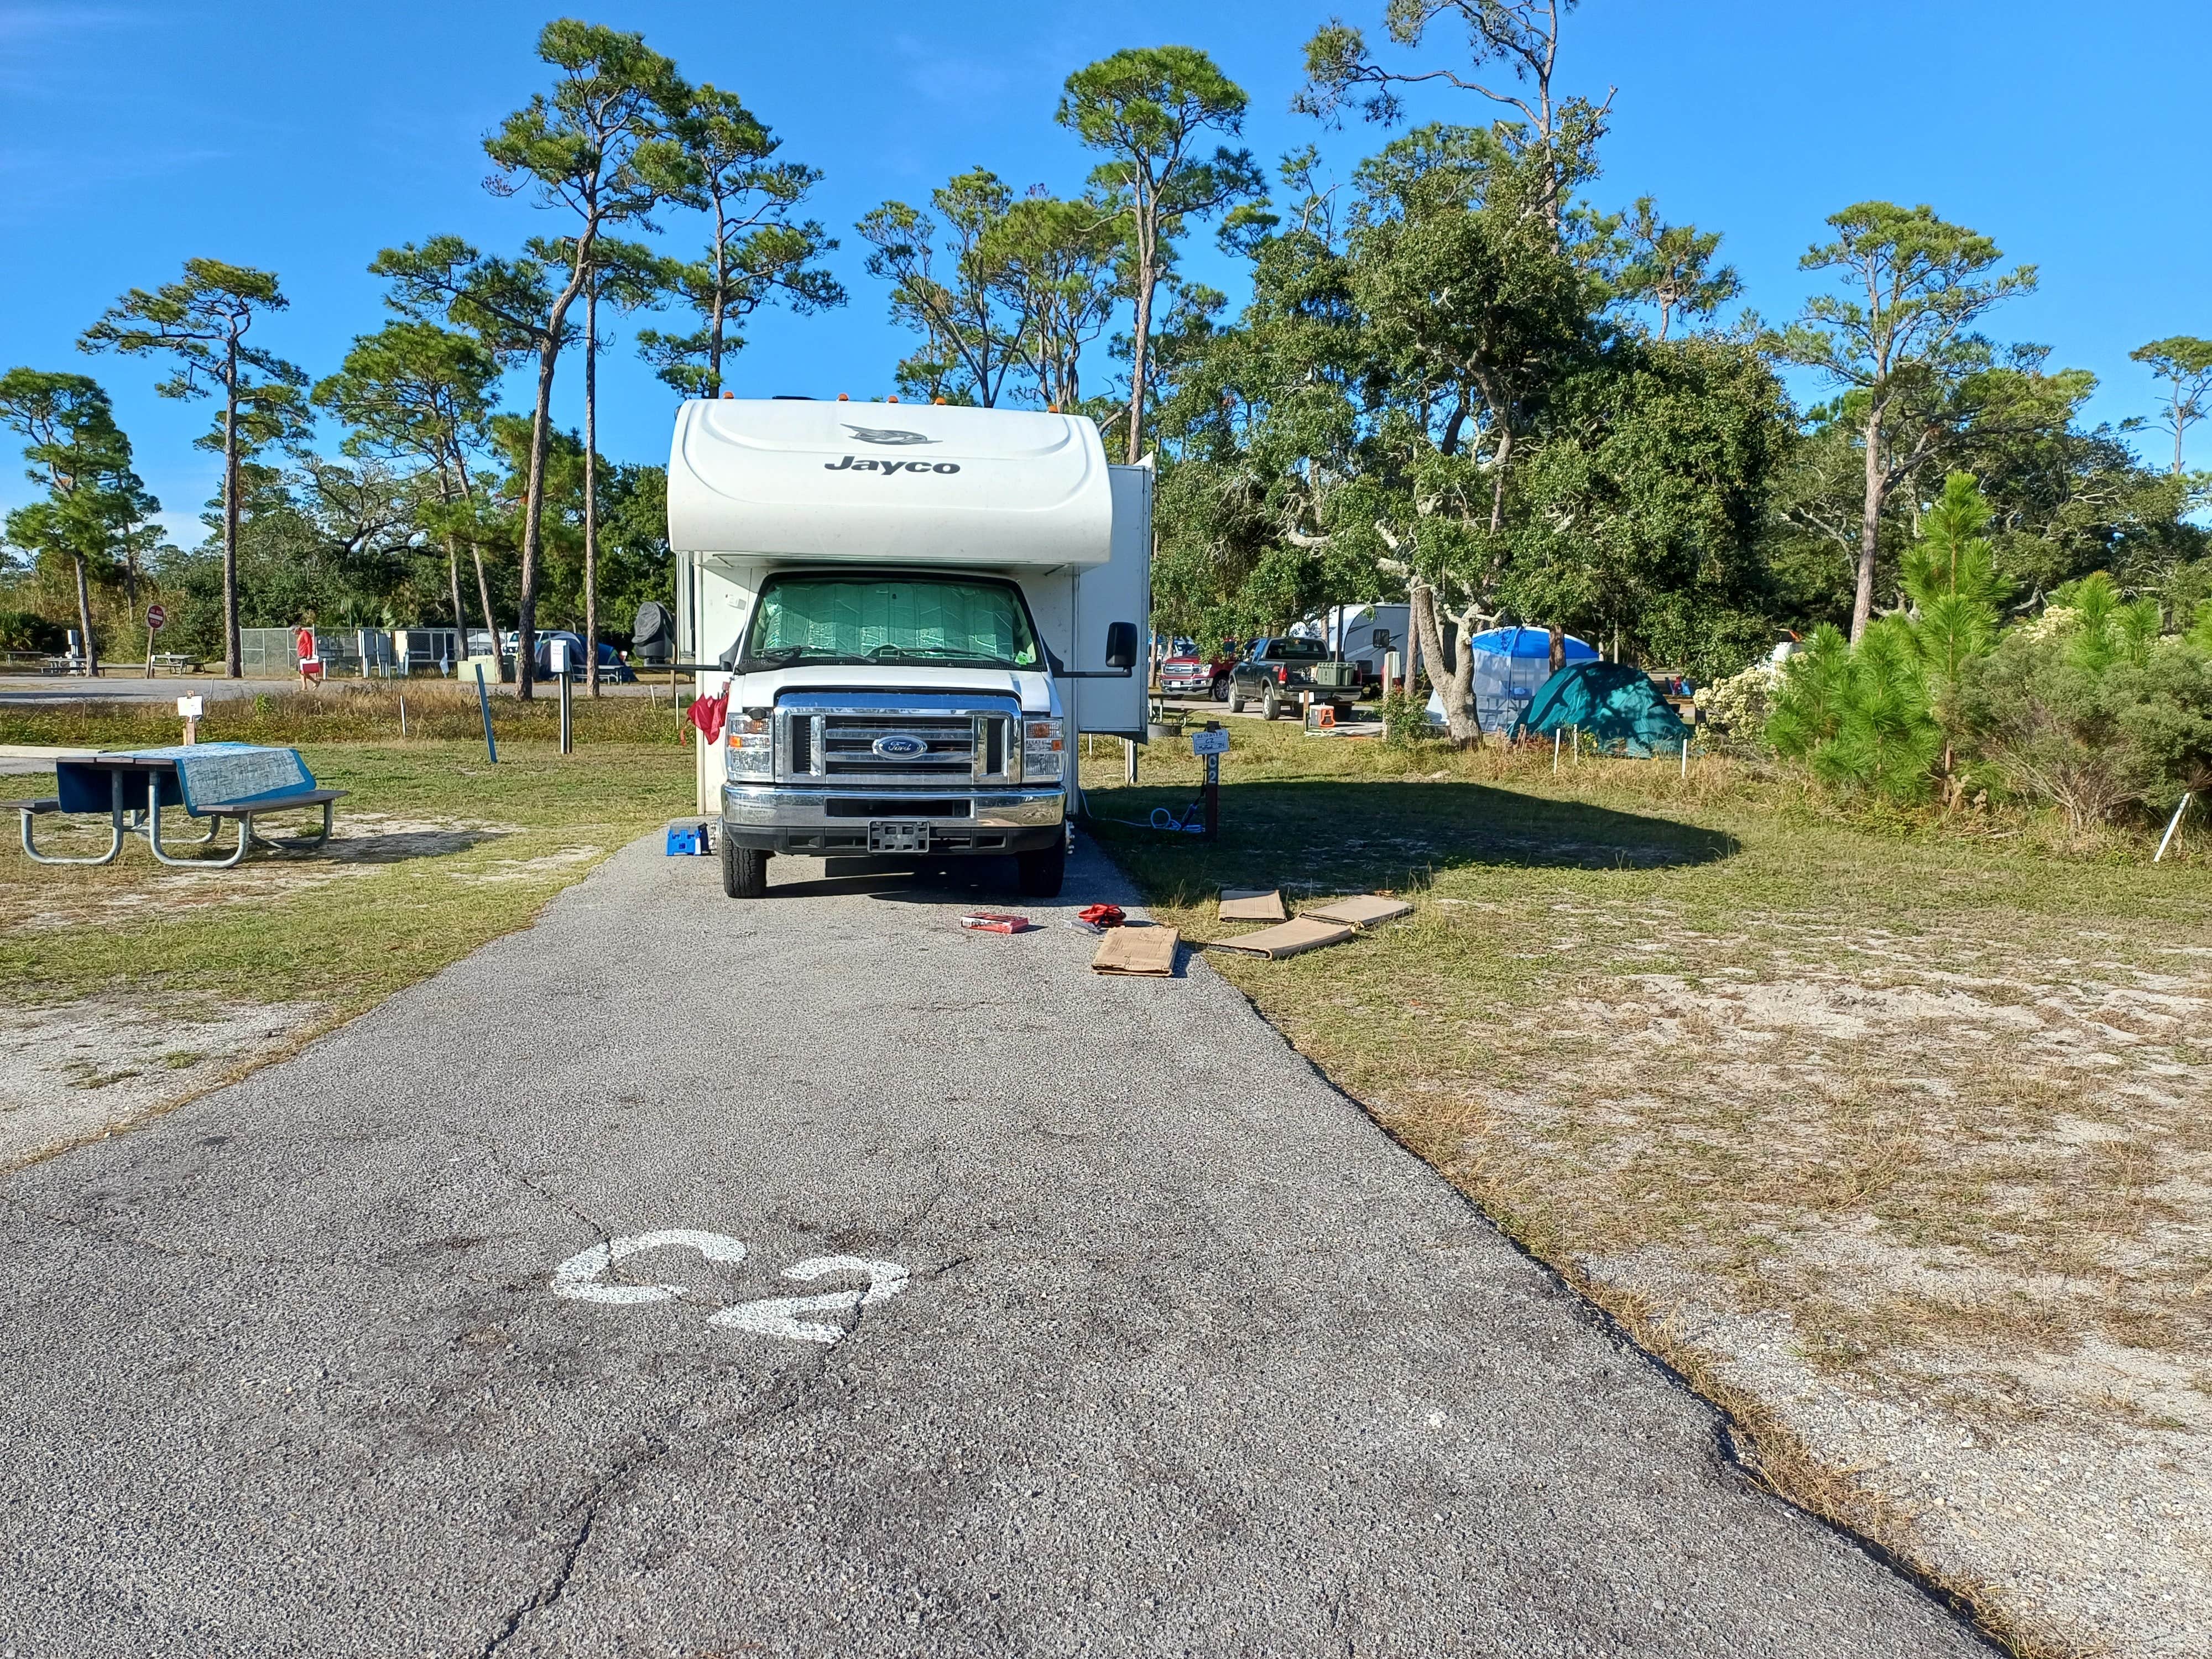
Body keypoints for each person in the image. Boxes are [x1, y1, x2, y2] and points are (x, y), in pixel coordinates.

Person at [295, 619, 324, 689]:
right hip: (300, 655)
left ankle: (314, 682)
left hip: (304, 655)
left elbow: (309, 643)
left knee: (303, 672)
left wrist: (309, 654)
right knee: (301, 671)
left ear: (298, 629)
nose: (294, 632)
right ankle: (305, 686)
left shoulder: (305, 633)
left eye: (294, 630)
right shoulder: (299, 636)